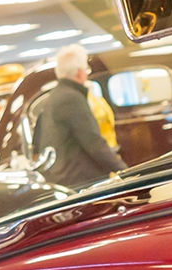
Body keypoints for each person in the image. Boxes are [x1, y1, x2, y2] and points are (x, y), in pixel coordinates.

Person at [31, 44, 126, 187]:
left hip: (63, 178)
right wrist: (125, 171)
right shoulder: (72, 98)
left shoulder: (55, 96)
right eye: (86, 69)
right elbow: (93, 142)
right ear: (80, 72)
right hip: (80, 181)